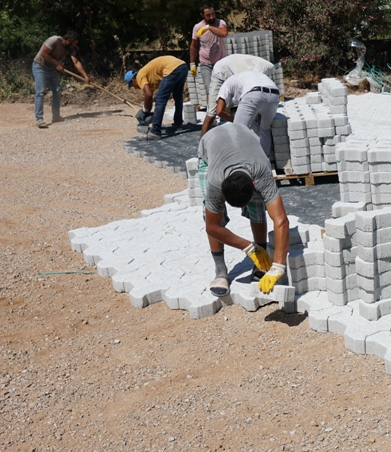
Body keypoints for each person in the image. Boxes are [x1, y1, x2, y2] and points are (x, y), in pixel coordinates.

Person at [199, 123, 289, 298]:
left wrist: (278, 266)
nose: (242, 208)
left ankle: (260, 263)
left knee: (258, 207)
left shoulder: (261, 173)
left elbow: (281, 221)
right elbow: (212, 226)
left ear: (254, 185)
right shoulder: (215, 182)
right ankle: (220, 271)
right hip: (211, 146)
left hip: (247, 145)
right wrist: (248, 247)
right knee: (213, 215)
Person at [200, 69, 281, 162]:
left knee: (237, 131)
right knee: (265, 129)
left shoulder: (226, 84)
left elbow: (219, 111)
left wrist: (234, 120)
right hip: (274, 94)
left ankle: (239, 163)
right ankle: (266, 162)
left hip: (254, 93)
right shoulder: (246, 76)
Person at [32, 30, 89, 129]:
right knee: (41, 91)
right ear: (68, 40)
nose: (74, 46)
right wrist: (57, 64)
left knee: (57, 90)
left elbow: (76, 62)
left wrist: (85, 76)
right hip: (39, 67)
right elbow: (44, 54)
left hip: (51, 69)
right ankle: (39, 119)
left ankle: (56, 116)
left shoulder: (70, 48)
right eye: (74, 44)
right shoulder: (54, 40)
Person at [124, 56, 190, 140]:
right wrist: (147, 111)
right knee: (177, 96)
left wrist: (144, 111)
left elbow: (148, 95)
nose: (135, 87)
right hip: (182, 66)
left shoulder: (139, 76)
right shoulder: (147, 76)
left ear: (133, 80)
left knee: (159, 99)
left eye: (132, 86)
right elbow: (149, 98)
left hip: (171, 68)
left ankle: (155, 131)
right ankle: (178, 124)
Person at [189, 3, 229, 113]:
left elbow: (224, 33)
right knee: (210, 90)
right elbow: (194, 45)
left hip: (221, 62)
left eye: (213, 14)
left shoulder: (220, 23)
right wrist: (192, 64)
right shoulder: (197, 27)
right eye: (208, 15)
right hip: (205, 63)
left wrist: (208, 27)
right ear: (202, 15)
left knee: (223, 88)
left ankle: (223, 111)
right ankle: (211, 115)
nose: (212, 17)